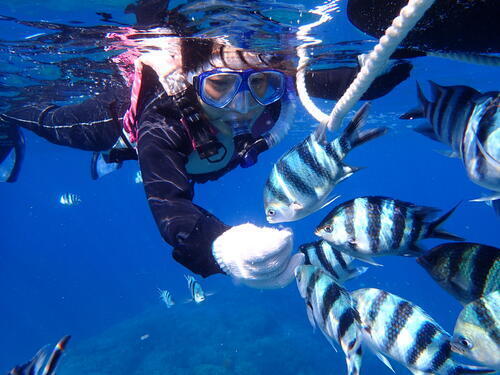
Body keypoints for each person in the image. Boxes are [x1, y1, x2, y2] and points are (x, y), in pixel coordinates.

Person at [0, 33, 411, 287]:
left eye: (264, 85)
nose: (244, 107)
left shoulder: (273, 90)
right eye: (220, 87)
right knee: (48, 121)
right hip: (115, 122)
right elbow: (170, 208)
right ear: (190, 87)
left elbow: (349, 82)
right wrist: (222, 247)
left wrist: (395, 58)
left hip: (198, 155)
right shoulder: (165, 124)